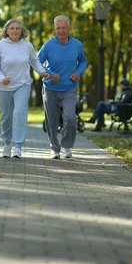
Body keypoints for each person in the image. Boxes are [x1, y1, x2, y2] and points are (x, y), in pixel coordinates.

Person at [0, 18, 50, 159]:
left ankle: (18, 146)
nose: (15, 31)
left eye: (18, 28)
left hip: (22, 84)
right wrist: (1, 78)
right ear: (6, 31)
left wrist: (42, 72)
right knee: (5, 116)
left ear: (22, 31)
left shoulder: (27, 46)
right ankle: (6, 144)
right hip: (3, 86)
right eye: (12, 28)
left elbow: (35, 61)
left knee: (20, 113)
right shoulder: (0, 45)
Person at [38, 15, 88, 159]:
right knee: (52, 121)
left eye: (63, 28)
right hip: (50, 88)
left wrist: (78, 72)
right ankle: (54, 148)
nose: (60, 31)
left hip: (69, 88)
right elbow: (37, 62)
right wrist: (48, 73)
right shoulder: (48, 45)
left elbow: (83, 61)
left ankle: (66, 147)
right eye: (58, 28)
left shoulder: (77, 45)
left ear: (68, 28)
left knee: (70, 117)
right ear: (55, 28)